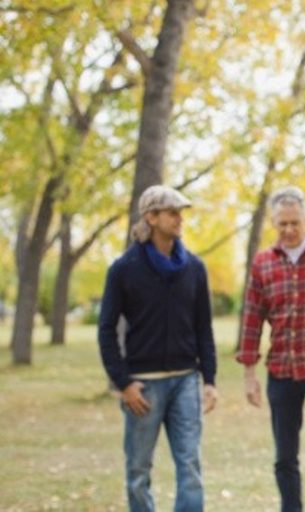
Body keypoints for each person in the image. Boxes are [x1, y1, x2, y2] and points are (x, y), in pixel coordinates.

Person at [97, 185, 218, 512]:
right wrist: (122, 383)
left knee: (190, 466)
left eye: (181, 212)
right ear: (151, 217)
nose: (180, 219)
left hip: (185, 382)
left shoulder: (194, 267)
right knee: (138, 471)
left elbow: (203, 327)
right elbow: (106, 329)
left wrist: (209, 380)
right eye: (172, 212)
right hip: (143, 386)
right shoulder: (123, 268)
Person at [237, 185, 305, 512]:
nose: (289, 230)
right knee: (284, 457)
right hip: (281, 371)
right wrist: (249, 375)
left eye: (295, 223)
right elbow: (252, 319)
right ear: (273, 223)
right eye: (282, 224)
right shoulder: (263, 263)